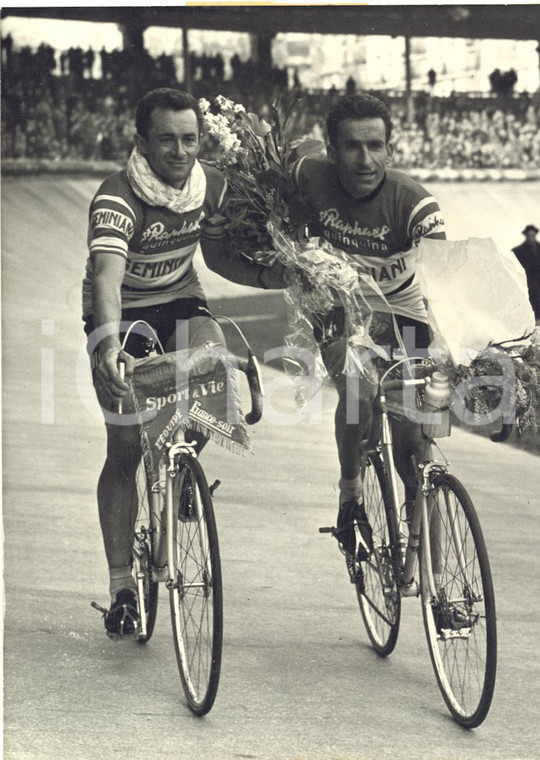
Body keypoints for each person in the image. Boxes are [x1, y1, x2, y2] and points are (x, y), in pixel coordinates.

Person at [83, 87, 291, 637]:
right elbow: (106, 276)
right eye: (167, 140)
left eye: (190, 139)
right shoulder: (117, 198)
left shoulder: (211, 185)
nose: (180, 151)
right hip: (122, 314)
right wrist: (107, 345)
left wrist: (281, 275)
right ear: (142, 141)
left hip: (182, 299)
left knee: (213, 373)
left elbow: (220, 258)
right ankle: (122, 585)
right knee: (125, 446)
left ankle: (178, 475)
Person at [291, 92, 446, 553]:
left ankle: (438, 582)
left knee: (414, 450)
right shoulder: (307, 174)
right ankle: (350, 492)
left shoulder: (416, 204)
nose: (365, 160)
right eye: (353, 147)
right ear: (331, 150)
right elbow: (281, 164)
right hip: (339, 307)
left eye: (376, 146)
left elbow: (444, 289)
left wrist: (450, 352)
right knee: (358, 392)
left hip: (403, 312)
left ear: (391, 150)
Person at [512, 225, 540, 326]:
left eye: (532, 235)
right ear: (526, 235)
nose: (531, 237)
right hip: (528, 281)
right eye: (529, 235)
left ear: (535, 234)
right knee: (531, 305)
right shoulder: (518, 250)